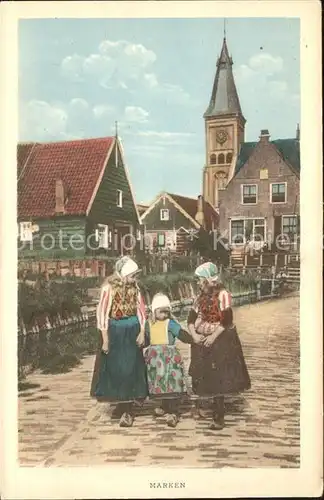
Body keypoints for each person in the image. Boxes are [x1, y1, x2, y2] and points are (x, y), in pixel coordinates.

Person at [187, 262, 251, 430]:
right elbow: (191, 319)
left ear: (209, 280)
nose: (198, 283)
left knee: (219, 373)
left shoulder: (223, 295)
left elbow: (227, 321)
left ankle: (219, 413)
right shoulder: (199, 297)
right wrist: (194, 335)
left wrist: (213, 337)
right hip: (202, 337)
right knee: (202, 372)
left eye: (200, 280)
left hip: (220, 337)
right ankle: (204, 403)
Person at [90, 256, 148, 427]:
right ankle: (121, 402)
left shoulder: (134, 288)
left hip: (131, 330)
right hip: (115, 331)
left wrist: (142, 331)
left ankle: (128, 407)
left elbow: (141, 310)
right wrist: (105, 339)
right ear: (123, 274)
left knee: (130, 368)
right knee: (117, 369)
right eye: (132, 276)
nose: (134, 279)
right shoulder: (109, 288)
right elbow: (102, 313)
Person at [143, 293, 193, 427]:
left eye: (167, 312)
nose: (164, 315)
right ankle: (164, 405)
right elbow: (146, 339)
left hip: (169, 358)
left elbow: (181, 334)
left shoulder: (170, 323)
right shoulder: (148, 324)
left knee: (171, 383)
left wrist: (192, 339)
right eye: (161, 312)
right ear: (154, 311)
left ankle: (173, 410)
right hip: (154, 358)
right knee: (160, 383)